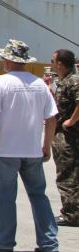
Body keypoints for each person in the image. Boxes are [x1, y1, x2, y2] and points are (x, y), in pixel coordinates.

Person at [0, 39, 59, 252]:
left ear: (8, 60)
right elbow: (52, 118)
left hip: (6, 150)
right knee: (39, 196)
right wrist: (46, 146)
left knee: (5, 197)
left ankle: (3, 243)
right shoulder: (39, 84)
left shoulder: (2, 83)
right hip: (32, 150)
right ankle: (48, 244)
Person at [52, 48, 79, 227]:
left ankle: (71, 215)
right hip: (64, 136)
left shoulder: (73, 81)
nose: (51, 64)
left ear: (60, 63)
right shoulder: (64, 80)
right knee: (70, 175)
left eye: (53, 60)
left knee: (67, 176)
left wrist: (71, 121)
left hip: (70, 137)